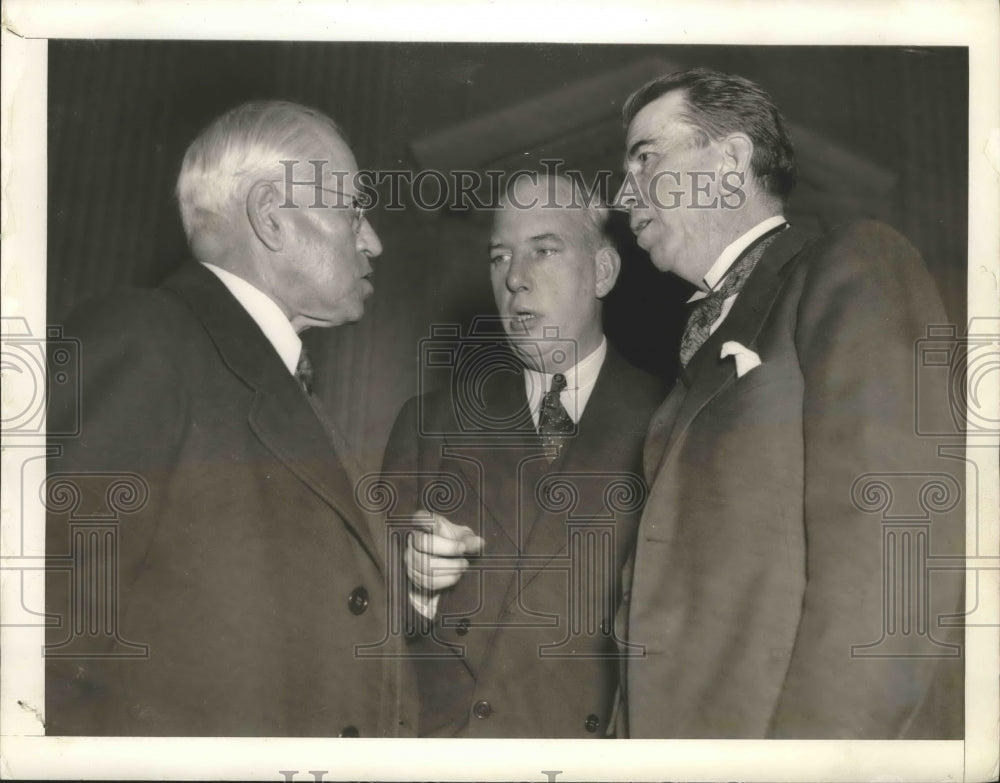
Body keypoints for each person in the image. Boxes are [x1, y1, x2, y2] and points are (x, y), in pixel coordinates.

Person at [614, 68, 964, 739]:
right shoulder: (703, 340)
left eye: (647, 159)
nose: (624, 193)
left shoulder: (852, 263)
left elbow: (899, 557)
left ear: (730, 161)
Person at [45, 100, 414, 737]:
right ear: (273, 214)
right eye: (353, 211)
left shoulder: (276, 382)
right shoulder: (146, 340)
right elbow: (42, 645)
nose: (373, 239)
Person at [380, 174, 664, 738]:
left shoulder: (673, 418)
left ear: (603, 271)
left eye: (544, 250)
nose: (514, 278)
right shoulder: (428, 423)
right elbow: (364, 626)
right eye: (499, 257)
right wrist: (416, 585)